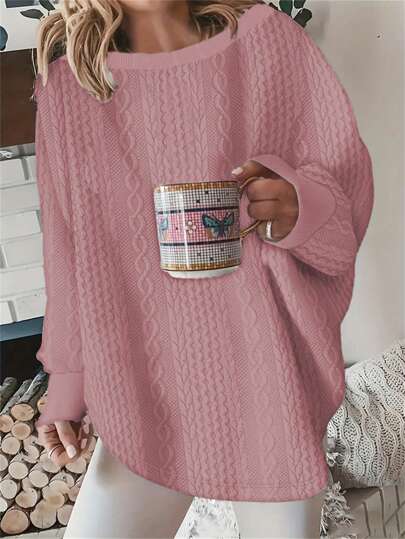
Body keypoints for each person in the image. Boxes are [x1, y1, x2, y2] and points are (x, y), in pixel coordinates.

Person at [32, 0, 374, 537]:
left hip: (267, 378)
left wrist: (297, 205)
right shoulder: (69, 87)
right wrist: (68, 385)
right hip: (142, 386)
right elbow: (66, 251)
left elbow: (345, 190)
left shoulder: (267, 42)